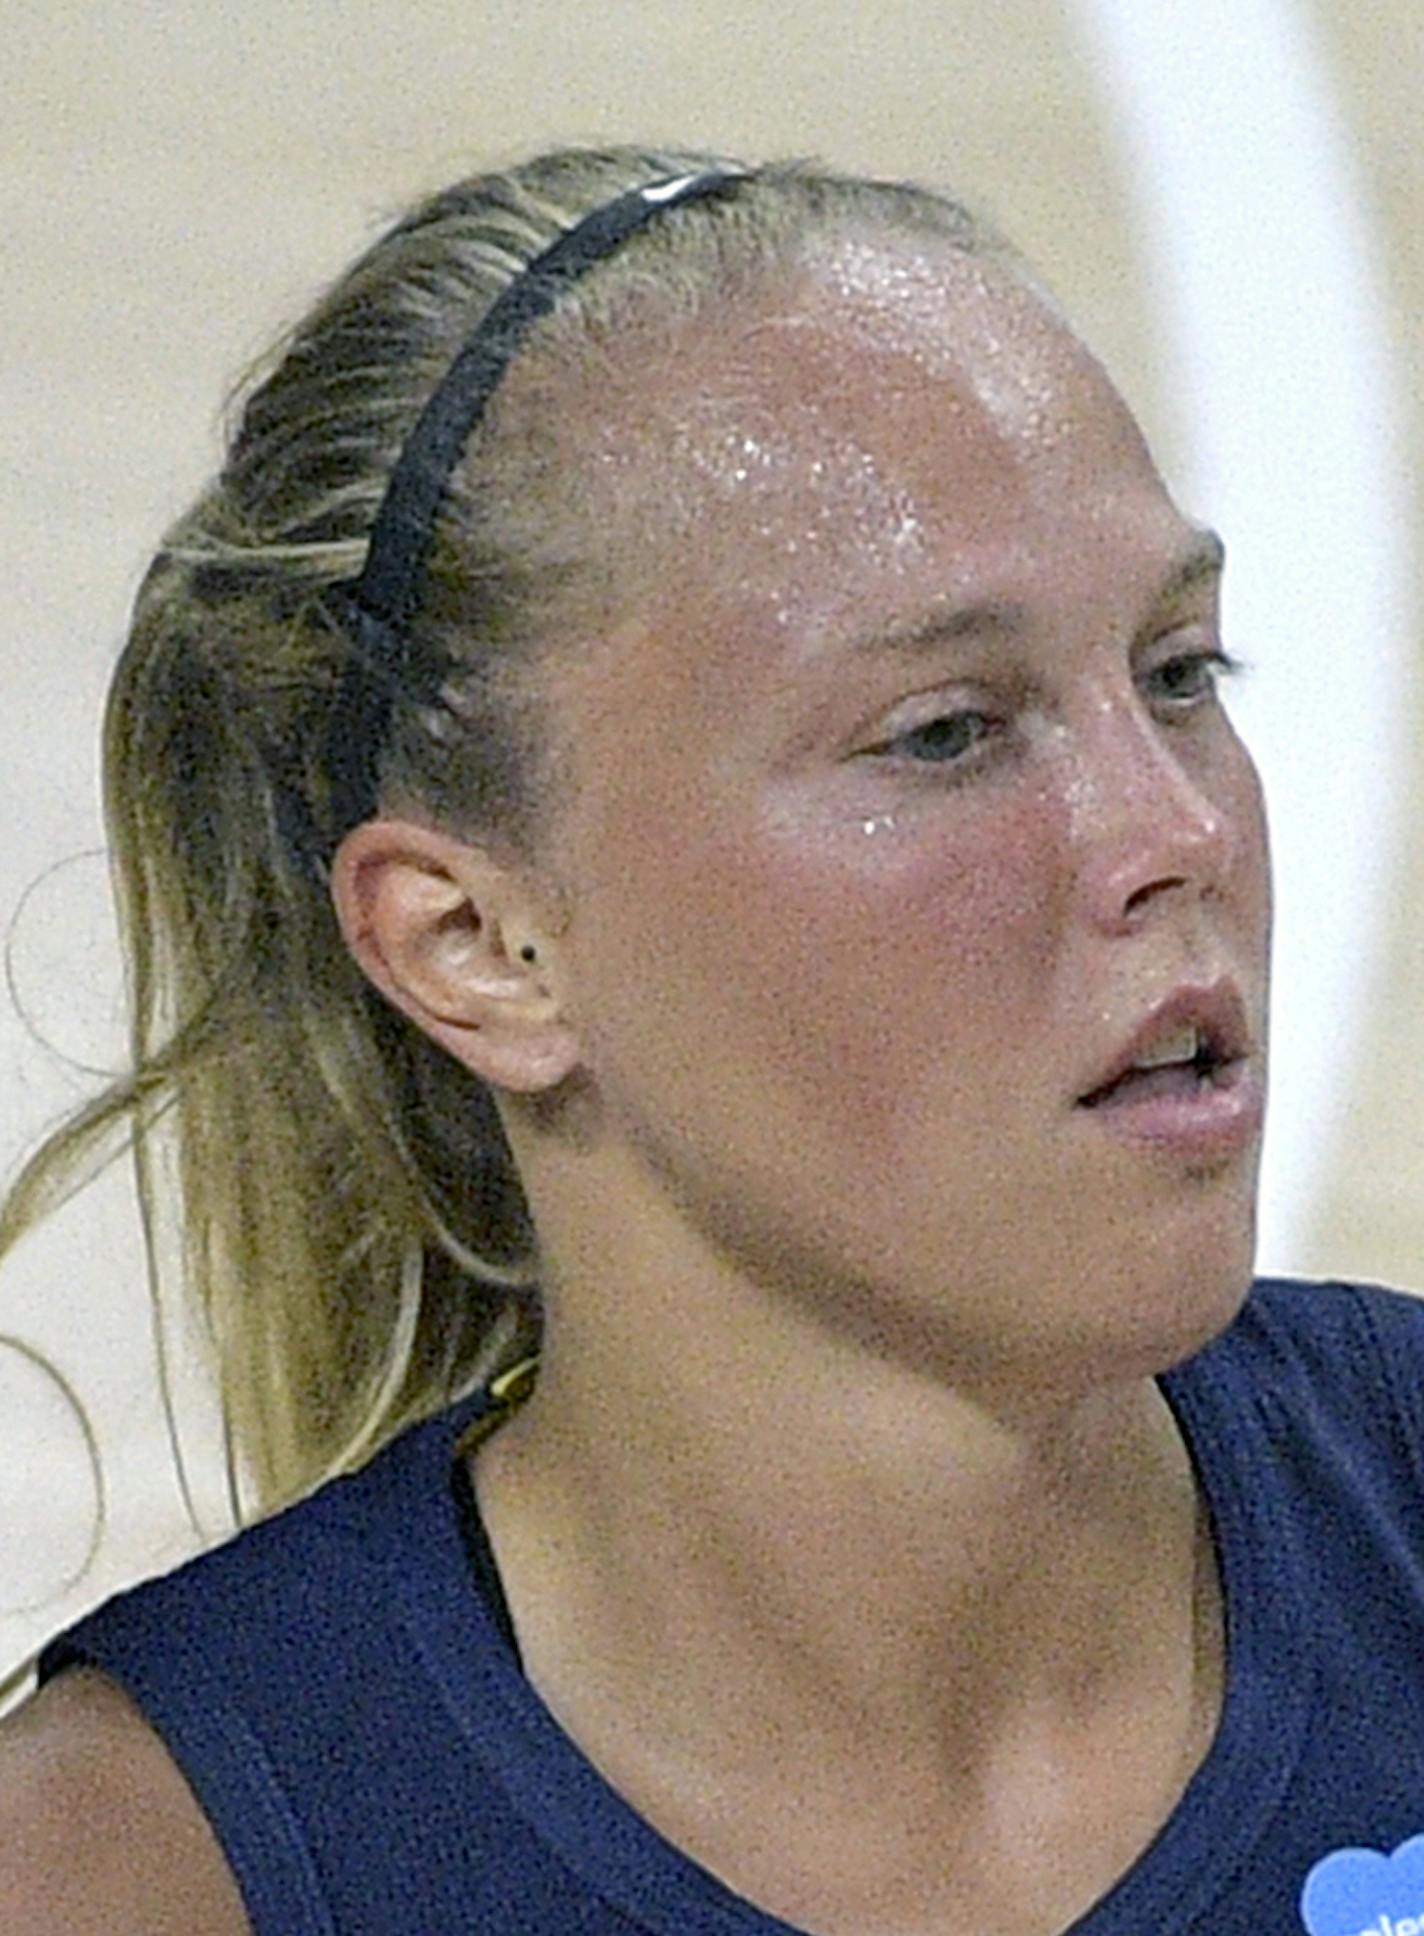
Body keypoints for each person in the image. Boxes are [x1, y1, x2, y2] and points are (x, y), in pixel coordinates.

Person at [1, 141, 1422, 1936]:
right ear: (483, 947)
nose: (1178, 833)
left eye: (1178, 672)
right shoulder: (136, 1873)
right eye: (945, 733)